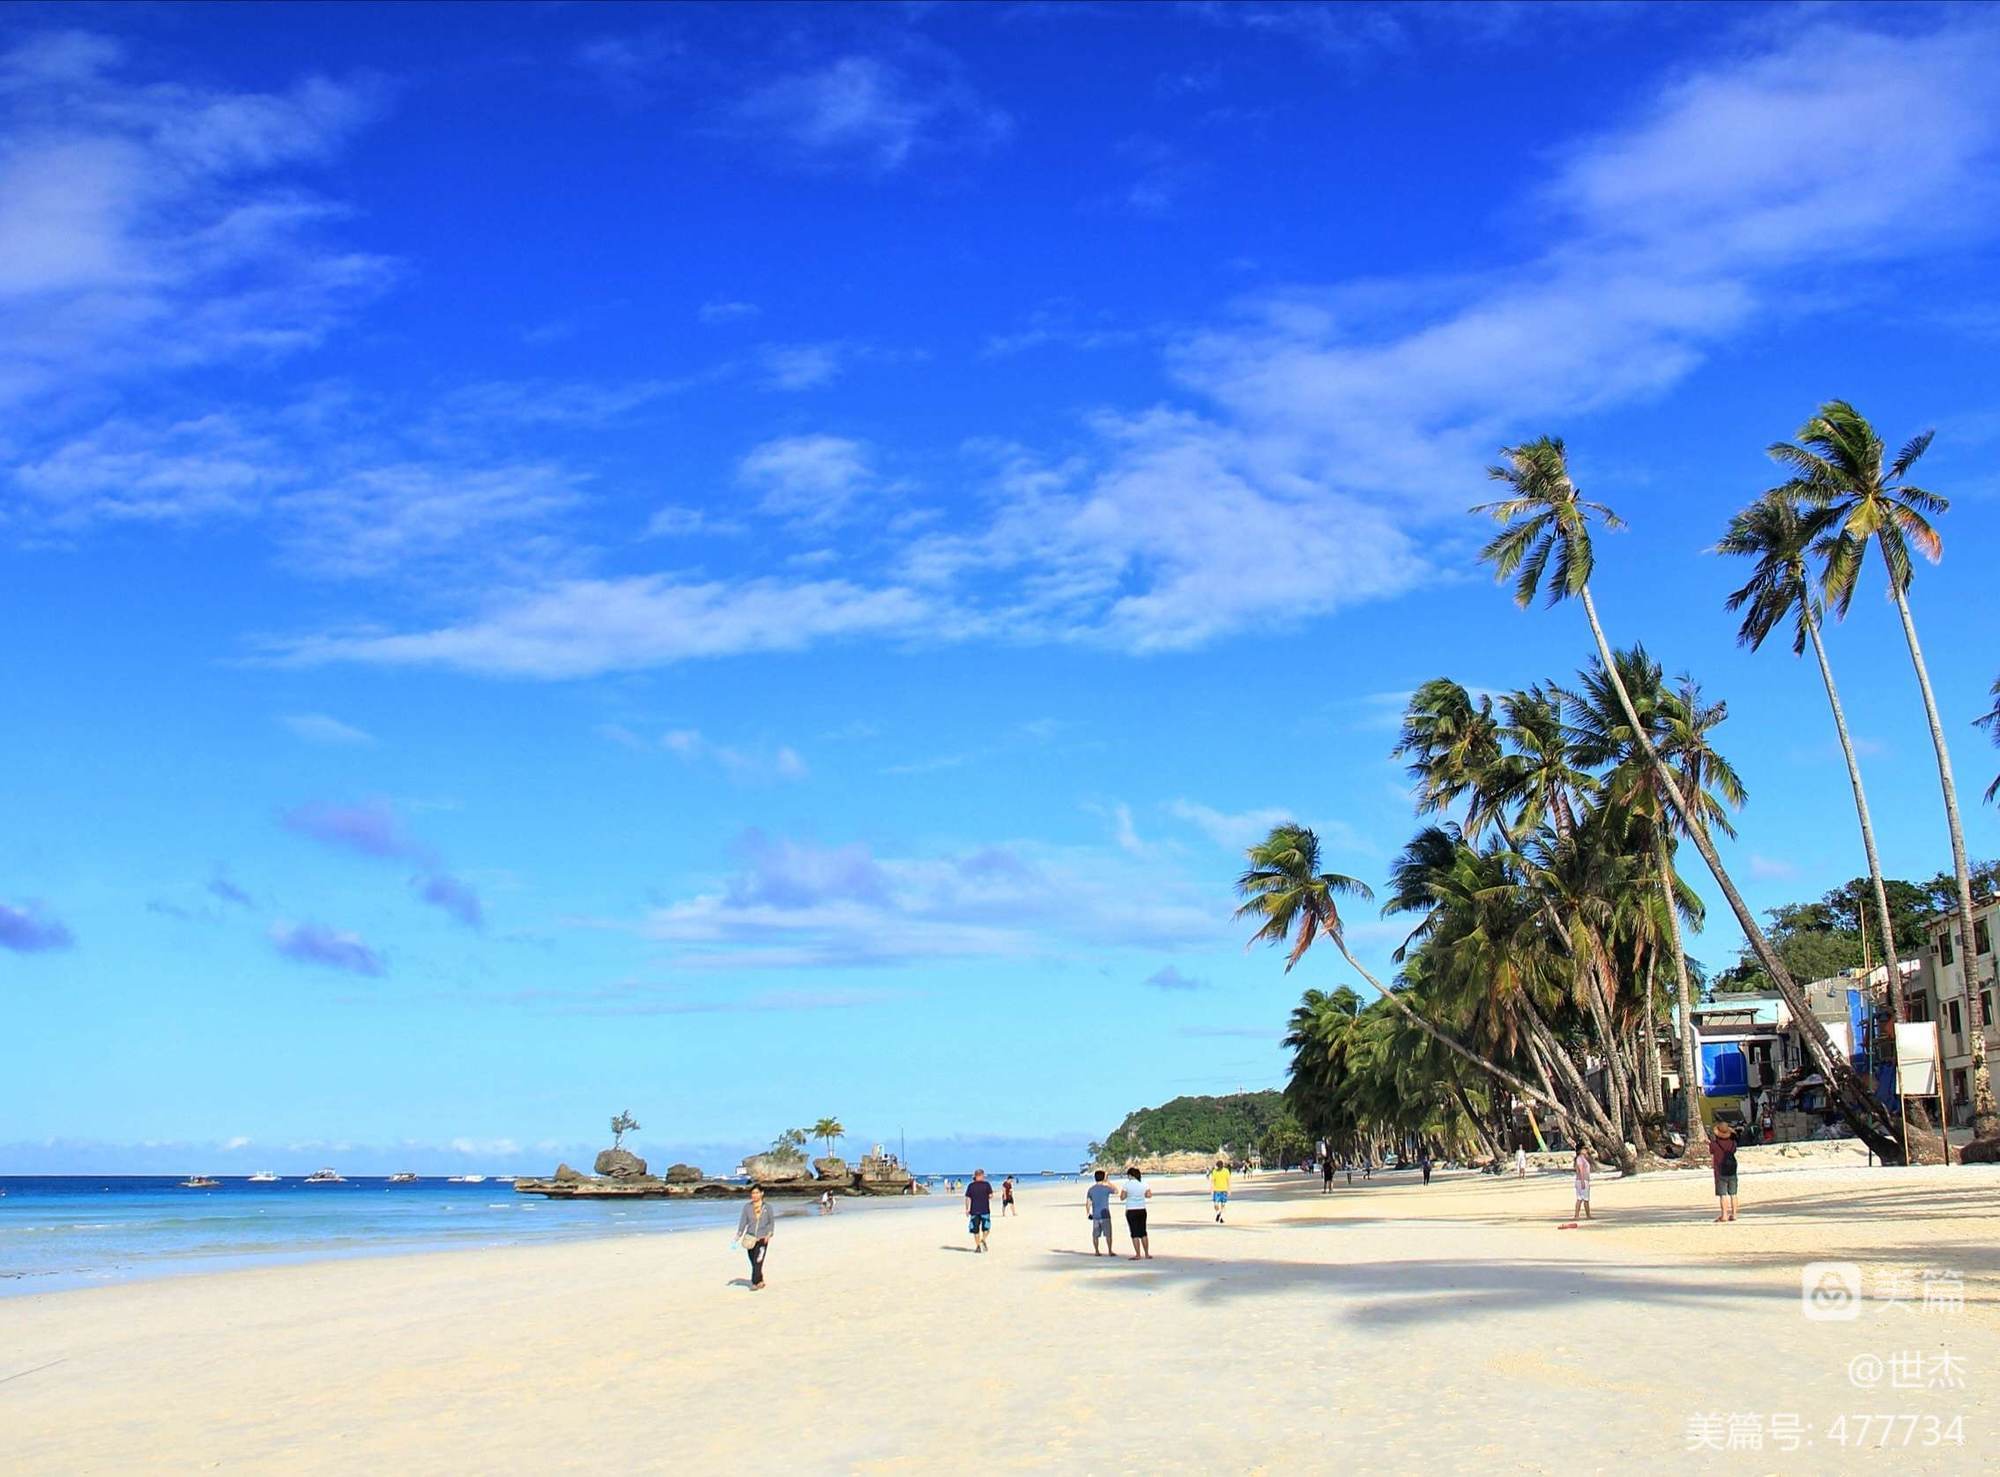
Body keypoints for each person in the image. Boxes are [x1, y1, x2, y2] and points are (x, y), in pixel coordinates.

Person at [735, 1186, 775, 1291]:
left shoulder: (767, 1207)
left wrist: (769, 1234)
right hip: (750, 1238)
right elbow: (743, 1221)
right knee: (753, 1261)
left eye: (757, 1193)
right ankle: (760, 1280)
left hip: (762, 1239)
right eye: (752, 1193)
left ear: (762, 1193)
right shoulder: (747, 1207)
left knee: (758, 1261)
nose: (754, 1195)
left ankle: (754, 1283)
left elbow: (771, 1222)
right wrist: (739, 1234)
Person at [1119, 1167, 1152, 1260]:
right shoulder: (1143, 1183)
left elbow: (1122, 1197)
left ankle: (1138, 1254)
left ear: (1130, 1175)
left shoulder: (1127, 1184)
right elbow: (1149, 1195)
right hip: (1142, 1209)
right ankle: (1146, 1253)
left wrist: (1130, 1195)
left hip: (1131, 1209)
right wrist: (1141, 1195)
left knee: (1134, 1233)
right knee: (1143, 1232)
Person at [1711, 1121, 1740, 1223]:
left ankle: (1724, 1215)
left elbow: (1712, 1152)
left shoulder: (1714, 1144)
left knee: (1723, 1195)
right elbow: (1734, 1151)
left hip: (1720, 1171)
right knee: (1733, 1194)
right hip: (1732, 1170)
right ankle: (1734, 1214)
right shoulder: (1733, 1144)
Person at [1085, 1169, 1116, 1256]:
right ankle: (1110, 1251)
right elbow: (1116, 1191)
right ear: (1103, 1178)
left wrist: (1088, 1213)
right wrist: (1108, 1182)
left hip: (1096, 1215)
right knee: (1108, 1234)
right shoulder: (1106, 1188)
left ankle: (1097, 1251)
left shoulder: (1091, 1190)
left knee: (1095, 1235)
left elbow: (1088, 1203)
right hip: (1105, 1214)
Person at [964, 1168, 996, 1252]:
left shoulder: (971, 1186)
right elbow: (991, 1196)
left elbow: (967, 1198)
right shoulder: (986, 1184)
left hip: (974, 1210)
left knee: (975, 1230)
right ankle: (983, 1240)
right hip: (984, 1210)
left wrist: (967, 1209)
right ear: (981, 1175)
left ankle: (978, 1246)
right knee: (986, 1229)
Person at [1571, 1146, 1592, 1222]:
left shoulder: (1583, 1159)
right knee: (1582, 1198)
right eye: (1584, 1149)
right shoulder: (1580, 1159)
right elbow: (1581, 1170)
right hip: (1581, 1180)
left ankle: (1587, 1215)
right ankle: (1579, 1215)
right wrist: (1583, 1181)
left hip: (1583, 1180)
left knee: (1583, 1198)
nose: (1586, 1150)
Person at [1209, 1158, 1231, 1224]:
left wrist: (1229, 1190)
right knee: (1216, 1204)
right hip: (1217, 1190)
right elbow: (1212, 1181)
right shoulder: (1215, 1171)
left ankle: (1221, 1218)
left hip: (1224, 1190)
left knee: (1223, 1205)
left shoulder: (1226, 1171)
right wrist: (1211, 1189)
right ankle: (1218, 1213)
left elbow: (1228, 1181)